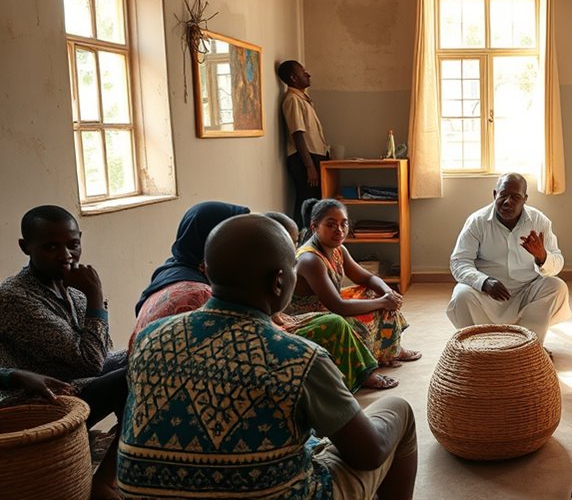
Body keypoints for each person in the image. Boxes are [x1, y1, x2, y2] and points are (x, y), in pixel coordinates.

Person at [118, 214, 417, 500]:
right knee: (398, 411)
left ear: (207, 271)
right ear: (279, 282)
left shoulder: (149, 337)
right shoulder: (299, 356)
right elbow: (369, 454)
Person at [132, 202, 389, 392]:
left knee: (338, 319)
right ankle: (351, 378)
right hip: (192, 384)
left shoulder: (174, 271)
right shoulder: (199, 294)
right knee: (333, 325)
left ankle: (368, 366)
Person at [0, 205, 128, 500]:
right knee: (131, 378)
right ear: (25, 247)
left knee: (139, 358)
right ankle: (104, 481)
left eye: (73, 244)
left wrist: (90, 298)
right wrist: (96, 295)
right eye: (50, 247)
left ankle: (121, 458)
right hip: (37, 401)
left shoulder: (72, 288)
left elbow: (99, 350)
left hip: (72, 383)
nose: (65, 255)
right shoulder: (14, 297)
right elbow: (92, 361)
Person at [289, 199, 419, 375]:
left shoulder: (338, 250)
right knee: (361, 314)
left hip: (330, 306)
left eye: (344, 224)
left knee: (374, 291)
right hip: (311, 317)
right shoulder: (310, 260)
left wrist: (388, 293)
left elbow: (368, 277)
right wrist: (382, 302)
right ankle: (371, 363)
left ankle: (391, 349)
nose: (340, 230)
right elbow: (338, 306)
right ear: (315, 227)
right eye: (331, 225)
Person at [448, 172, 570, 346]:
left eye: (515, 197)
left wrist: (542, 257)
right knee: (461, 294)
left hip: (528, 292)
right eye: (503, 195)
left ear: (525, 199)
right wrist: (484, 282)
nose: (508, 202)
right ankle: (484, 346)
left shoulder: (539, 221)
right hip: (489, 294)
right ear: (494, 194)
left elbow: (557, 262)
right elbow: (459, 261)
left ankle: (529, 347)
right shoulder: (477, 221)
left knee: (557, 287)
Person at [279, 60, 331, 221]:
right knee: (307, 204)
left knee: (316, 205)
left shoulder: (303, 99)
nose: (308, 74)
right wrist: (310, 166)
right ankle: (301, 240)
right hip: (304, 159)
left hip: (315, 157)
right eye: (303, 72)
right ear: (294, 78)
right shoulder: (292, 100)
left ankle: (313, 241)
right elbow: (298, 134)